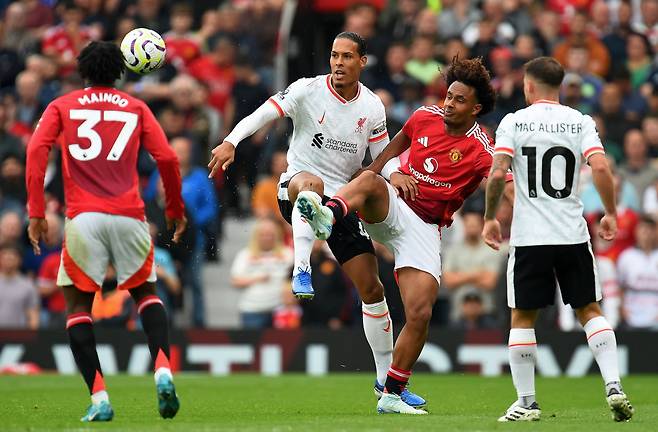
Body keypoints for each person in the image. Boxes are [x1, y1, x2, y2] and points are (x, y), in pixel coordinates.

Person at [208, 32, 425, 408]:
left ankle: (387, 384)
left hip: (342, 203)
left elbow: (381, 155)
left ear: (362, 62)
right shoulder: (308, 90)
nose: (338, 63)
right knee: (311, 184)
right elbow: (264, 113)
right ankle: (302, 267)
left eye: (346, 57)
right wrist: (231, 141)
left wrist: (396, 173)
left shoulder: (372, 107)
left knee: (373, 289)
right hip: (295, 189)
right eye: (333, 55)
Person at [297, 57, 505, 414]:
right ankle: (327, 215)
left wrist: (491, 218)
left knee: (420, 312)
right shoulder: (424, 116)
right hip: (394, 203)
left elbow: (502, 181)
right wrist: (387, 173)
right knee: (369, 180)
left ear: (476, 108)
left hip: (425, 228)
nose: (448, 103)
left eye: (458, 100)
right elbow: (392, 147)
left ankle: (392, 392)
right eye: (448, 96)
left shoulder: (481, 147)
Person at [25, 41, 187, 422]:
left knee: (79, 307)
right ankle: (162, 369)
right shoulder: (136, 107)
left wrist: (36, 212)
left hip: (84, 217)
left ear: (82, 71)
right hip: (130, 214)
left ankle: (100, 398)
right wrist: (175, 209)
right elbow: (167, 157)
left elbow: (36, 151)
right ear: (120, 71)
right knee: (146, 293)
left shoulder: (61, 106)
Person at [482, 57, 634, 422]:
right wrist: (611, 213)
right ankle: (613, 384)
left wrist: (489, 218)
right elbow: (600, 167)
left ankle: (527, 402)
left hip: (530, 237)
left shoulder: (513, 122)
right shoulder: (580, 121)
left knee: (522, 317)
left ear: (528, 86)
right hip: (571, 234)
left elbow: (498, 171)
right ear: (560, 87)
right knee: (590, 311)